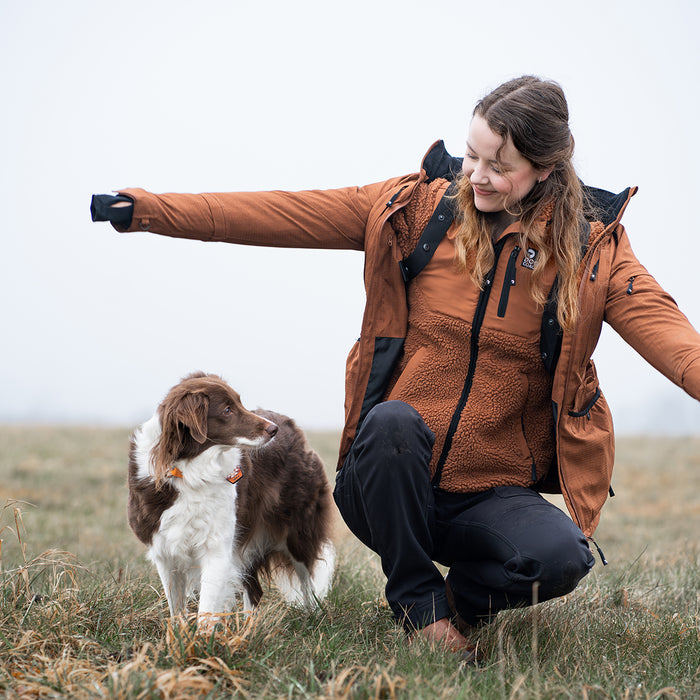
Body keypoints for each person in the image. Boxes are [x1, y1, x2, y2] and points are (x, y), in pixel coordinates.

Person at [92, 75, 700, 660]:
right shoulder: (413, 211)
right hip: (385, 478)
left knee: (561, 556)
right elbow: (282, 213)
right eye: (472, 155)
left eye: (500, 165)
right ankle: (417, 605)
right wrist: (150, 210)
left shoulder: (593, 250)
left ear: (545, 169)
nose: (478, 176)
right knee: (393, 424)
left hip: (489, 496)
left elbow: (668, 333)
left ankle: (449, 606)